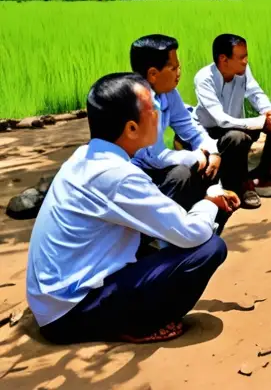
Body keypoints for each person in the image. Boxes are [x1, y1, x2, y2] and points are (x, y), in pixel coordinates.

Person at [26, 73, 236, 345]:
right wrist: (209, 202)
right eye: (153, 108)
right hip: (69, 315)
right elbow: (191, 234)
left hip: (54, 302)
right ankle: (139, 324)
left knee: (170, 229)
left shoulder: (85, 157)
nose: (160, 112)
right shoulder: (117, 175)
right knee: (209, 249)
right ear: (131, 129)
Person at [193, 33, 271, 209]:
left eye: (246, 56)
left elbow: (255, 93)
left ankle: (269, 169)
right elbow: (221, 120)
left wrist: (270, 114)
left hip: (238, 125)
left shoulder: (242, 71)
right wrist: (262, 123)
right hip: (213, 130)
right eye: (241, 57)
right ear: (223, 59)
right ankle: (241, 186)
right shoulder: (204, 79)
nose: (246, 61)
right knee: (237, 137)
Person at [130, 35, 228, 211]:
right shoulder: (138, 102)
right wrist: (197, 157)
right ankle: (157, 232)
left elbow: (191, 129)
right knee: (182, 173)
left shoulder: (168, 94)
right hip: (137, 174)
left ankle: (200, 215)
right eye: (173, 68)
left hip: (156, 164)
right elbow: (153, 157)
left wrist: (212, 152)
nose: (179, 73)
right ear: (153, 74)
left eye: (179, 66)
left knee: (210, 164)